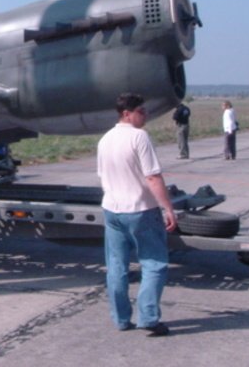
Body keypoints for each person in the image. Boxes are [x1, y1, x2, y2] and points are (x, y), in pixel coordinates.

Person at [97, 92, 178, 337]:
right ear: (127, 114)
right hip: (141, 210)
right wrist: (168, 207)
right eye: (141, 111)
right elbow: (152, 176)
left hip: (112, 210)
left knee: (116, 267)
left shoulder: (105, 139)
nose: (146, 115)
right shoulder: (139, 137)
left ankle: (121, 319)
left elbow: (102, 175)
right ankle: (149, 318)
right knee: (154, 264)